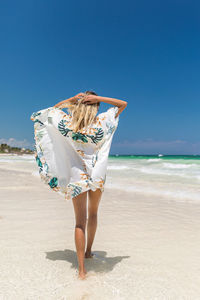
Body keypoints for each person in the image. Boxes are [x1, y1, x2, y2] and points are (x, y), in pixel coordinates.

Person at [30, 91, 127, 279]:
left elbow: (50, 111)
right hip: (97, 174)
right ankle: (89, 251)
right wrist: (99, 99)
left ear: (78, 106)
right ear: (96, 106)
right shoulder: (101, 122)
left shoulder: (68, 123)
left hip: (77, 176)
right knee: (93, 214)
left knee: (79, 221)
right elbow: (123, 104)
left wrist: (70, 100)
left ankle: (81, 271)